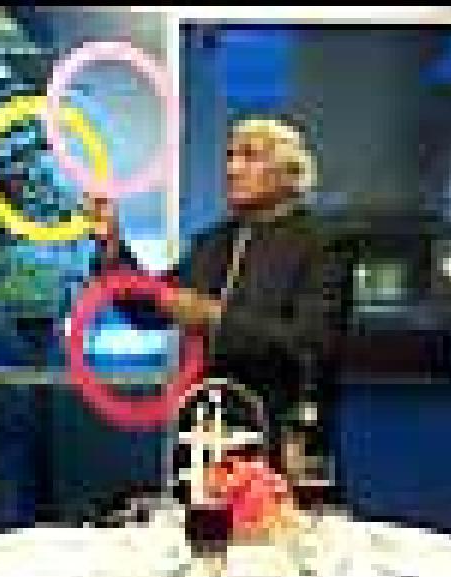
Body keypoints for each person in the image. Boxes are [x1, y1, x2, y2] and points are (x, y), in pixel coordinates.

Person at [87, 117, 351, 504]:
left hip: (284, 437)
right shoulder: (211, 244)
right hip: (207, 440)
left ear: (290, 173)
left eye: (249, 156)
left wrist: (214, 317)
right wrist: (112, 248)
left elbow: (311, 343)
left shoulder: (322, 245)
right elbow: (148, 309)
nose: (232, 169)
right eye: (229, 156)